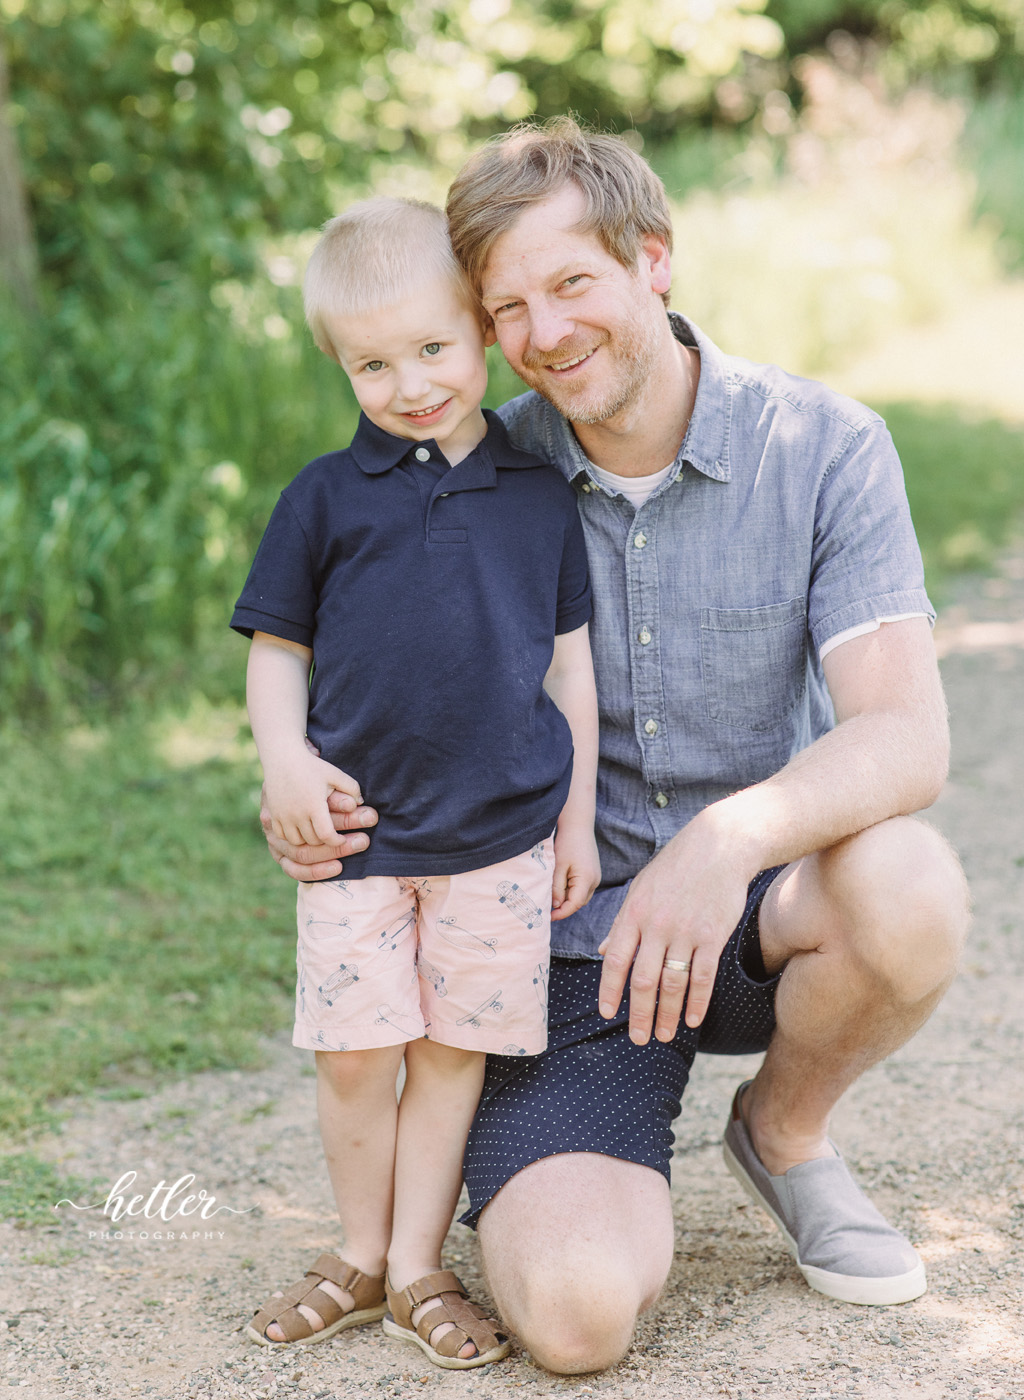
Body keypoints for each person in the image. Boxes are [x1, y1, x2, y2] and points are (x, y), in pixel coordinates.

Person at [261, 120, 970, 1375]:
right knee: (575, 1317)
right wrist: (299, 775)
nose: (543, 332)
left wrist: (726, 839)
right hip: (555, 952)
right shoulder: (475, 464)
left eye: (572, 282)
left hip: (746, 913)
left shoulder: (819, 445)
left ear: (653, 260)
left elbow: (907, 735)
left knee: (909, 883)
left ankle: (785, 1133)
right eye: (508, 305)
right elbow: (338, 642)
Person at [233, 196, 600, 1369]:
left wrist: (577, 816)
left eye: (432, 348)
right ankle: (353, 1247)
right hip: (360, 839)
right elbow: (274, 651)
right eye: (372, 363)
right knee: (356, 1052)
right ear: (341, 363)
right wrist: (283, 757)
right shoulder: (322, 499)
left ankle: (412, 1267)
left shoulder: (538, 492)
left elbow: (570, 665)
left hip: (499, 841)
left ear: (479, 335)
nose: (409, 383)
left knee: (448, 1052)